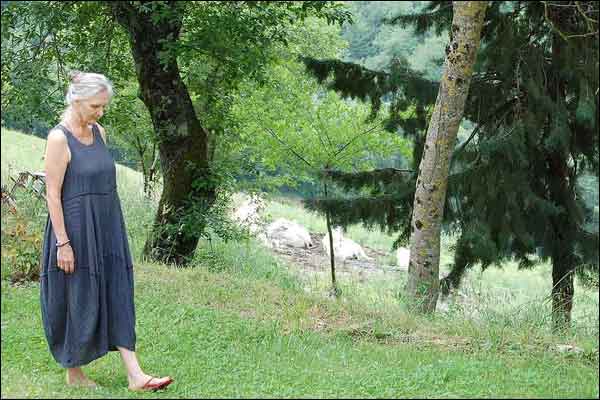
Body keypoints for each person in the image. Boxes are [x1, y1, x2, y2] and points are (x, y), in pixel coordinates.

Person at [40, 71, 173, 392]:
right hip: (75, 229)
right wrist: (63, 243)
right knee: (77, 295)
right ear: (76, 100)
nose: (101, 112)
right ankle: (74, 373)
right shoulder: (59, 138)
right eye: (96, 105)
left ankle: (135, 375)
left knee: (117, 289)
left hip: (107, 225)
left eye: (103, 106)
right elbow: (52, 193)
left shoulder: (99, 132)